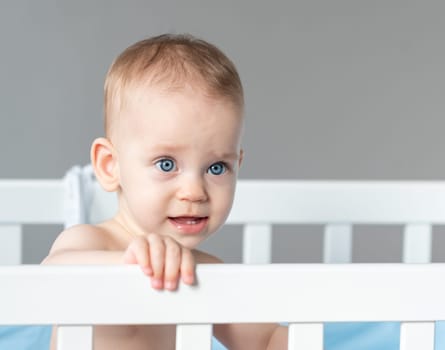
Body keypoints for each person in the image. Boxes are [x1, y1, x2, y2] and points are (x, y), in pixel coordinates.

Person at [43, 33, 287, 350]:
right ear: (109, 165)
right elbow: (52, 274)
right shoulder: (92, 243)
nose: (194, 191)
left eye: (216, 168)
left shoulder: (204, 271)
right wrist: (131, 261)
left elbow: (265, 340)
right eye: (166, 164)